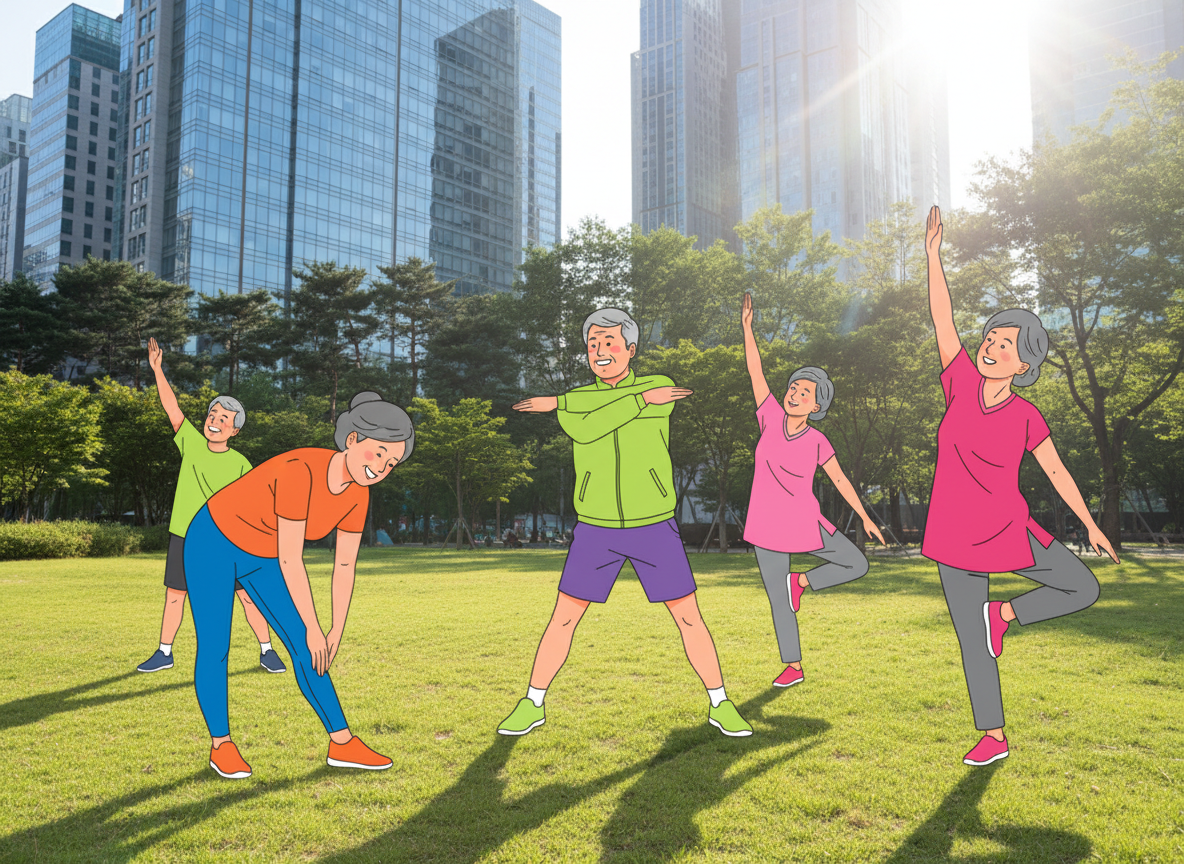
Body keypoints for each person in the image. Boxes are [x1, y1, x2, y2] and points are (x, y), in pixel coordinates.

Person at [498, 308, 752, 738]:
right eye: (592, 344)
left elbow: (623, 406)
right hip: (595, 528)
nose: (600, 351)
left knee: (689, 617)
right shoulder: (577, 402)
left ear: (631, 349)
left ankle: (720, 703)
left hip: (653, 524)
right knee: (563, 618)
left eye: (609, 342)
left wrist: (566, 403)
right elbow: (588, 429)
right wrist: (577, 403)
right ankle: (533, 702)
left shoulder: (658, 387)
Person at [923, 206, 1117, 767]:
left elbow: (1056, 471)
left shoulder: (1027, 416)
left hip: (1010, 529)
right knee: (972, 644)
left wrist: (1090, 524)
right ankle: (994, 733)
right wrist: (934, 256)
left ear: (1025, 363)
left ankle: (1004, 616)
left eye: (1005, 344)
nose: (990, 346)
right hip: (953, 537)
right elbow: (943, 319)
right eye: (990, 337)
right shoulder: (958, 382)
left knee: (1081, 587)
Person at [185, 391, 415, 779]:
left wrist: (334, 630)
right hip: (214, 539)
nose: (381, 467)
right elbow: (292, 558)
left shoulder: (358, 496)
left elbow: (345, 565)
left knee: (308, 647)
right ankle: (221, 745)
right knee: (216, 645)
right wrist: (313, 626)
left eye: (391, 462)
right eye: (378, 453)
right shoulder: (300, 470)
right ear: (353, 440)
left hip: (263, 554)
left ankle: (342, 742)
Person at [740, 293, 886, 688]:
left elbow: (839, 480)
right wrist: (748, 330)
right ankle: (793, 665)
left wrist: (867, 517)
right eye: (794, 388)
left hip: (805, 522)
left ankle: (801, 583)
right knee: (778, 601)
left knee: (855, 563)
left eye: (805, 393)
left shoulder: (818, 440)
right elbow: (756, 372)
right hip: (766, 525)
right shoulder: (769, 417)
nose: (795, 394)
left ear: (817, 405)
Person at [136, 337, 284, 675]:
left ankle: (267, 651)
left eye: (223, 418)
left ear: (234, 431)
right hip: (186, 536)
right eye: (212, 414)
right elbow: (172, 408)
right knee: (176, 593)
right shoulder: (190, 443)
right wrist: (158, 369)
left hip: (226, 540)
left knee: (247, 596)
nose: (214, 420)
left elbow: (255, 506)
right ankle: (164, 652)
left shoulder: (241, 464)